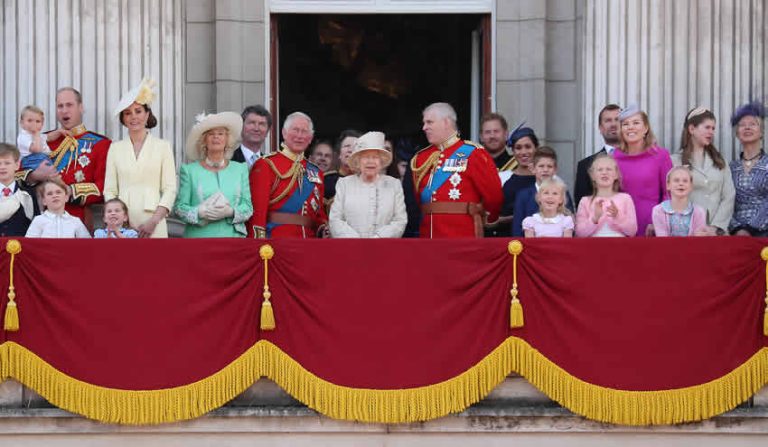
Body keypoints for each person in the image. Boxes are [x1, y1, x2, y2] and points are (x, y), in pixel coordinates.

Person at [23, 87, 111, 229]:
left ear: (81, 108)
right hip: (40, 220)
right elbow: (17, 173)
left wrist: (68, 191)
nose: (64, 110)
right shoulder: (42, 140)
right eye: (60, 106)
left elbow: (104, 188)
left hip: (77, 220)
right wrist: (33, 176)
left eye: (69, 105)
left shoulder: (100, 144)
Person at [411, 102, 502, 238]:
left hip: (462, 234)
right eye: (424, 123)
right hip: (428, 235)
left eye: (429, 122)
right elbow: (419, 200)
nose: (424, 127)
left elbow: (494, 196)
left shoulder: (473, 153)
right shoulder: (421, 158)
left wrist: (488, 218)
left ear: (446, 122)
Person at [104, 78, 177, 238]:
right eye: (128, 113)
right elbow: (109, 190)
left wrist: (154, 221)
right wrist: (118, 218)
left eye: (138, 111)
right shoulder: (115, 148)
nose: (133, 117)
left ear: (147, 114)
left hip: (154, 221)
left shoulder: (163, 146)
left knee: (155, 262)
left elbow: (170, 188)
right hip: (121, 224)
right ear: (123, 119)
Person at [248, 111, 328, 238]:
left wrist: (323, 228)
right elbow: (258, 211)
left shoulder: (316, 172)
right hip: (276, 241)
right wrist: (258, 243)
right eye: (295, 130)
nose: (299, 136)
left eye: (304, 131)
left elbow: (319, 215)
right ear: (284, 133)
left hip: (310, 243)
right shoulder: (266, 164)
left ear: (310, 138)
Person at [173, 112, 252, 238]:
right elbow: (179, 208)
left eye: (221, 134)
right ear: (204, 140)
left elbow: (248, 208)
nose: (216, 137)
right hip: (199, 240)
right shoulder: (189, 171)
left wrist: (231, 212)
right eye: (211, 134)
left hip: (232, 239)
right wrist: (199, 212)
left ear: (227, 140)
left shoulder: (240, 169)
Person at [329, 131, 406, 238]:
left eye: (375, 157)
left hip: (384, 248)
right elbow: (335, 219)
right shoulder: (344, 184)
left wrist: (378, 238)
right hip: (351, 248)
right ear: (358, 161)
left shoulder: (394, 185)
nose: (371, 161)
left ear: (381, 161)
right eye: (365, 157)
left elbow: (400, 220)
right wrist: (356, 240)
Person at [671, 107, 734, 235]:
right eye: (707, 127)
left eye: (713, 128)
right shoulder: (675, 161)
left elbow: (729, 196)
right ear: (692, 129)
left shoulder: (720, 161)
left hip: (717, 234)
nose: (711, 132)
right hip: (688, 232)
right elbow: (671, 198)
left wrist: (716, 227)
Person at [613, 104, 673, 236]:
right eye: (626, 124)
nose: (631, 127)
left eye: (636, 123)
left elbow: (669, 192)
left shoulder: (660, 155)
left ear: (645, 128)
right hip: (621, 225)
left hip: (652, 226)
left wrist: (658, 221)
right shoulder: (614, 157)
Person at [511, 146, 574, 237]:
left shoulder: (563, 192)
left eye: (549, 166)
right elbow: (517, 229)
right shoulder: (523, 195)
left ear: (555, 170)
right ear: (533, 168)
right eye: (541, 166)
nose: (545, 170)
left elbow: (570, 224)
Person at [574, 154, 637, 237]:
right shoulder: (585, 201)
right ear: (592, 176)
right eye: (600, 170)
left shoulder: (625, 198)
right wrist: (594, 218)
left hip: (619, 246)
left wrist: (618, 216)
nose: (604, 172)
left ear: (616, 175)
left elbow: (632, 232)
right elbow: (580, 233)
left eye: (609, 169)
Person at [729, 101, 768, 236]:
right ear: (737, 133)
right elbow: (726, 200)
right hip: (736, 234)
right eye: (742, 125)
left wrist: (750, 228)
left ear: (761, 131)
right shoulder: (731, 168)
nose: (747, 128)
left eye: (752, 124)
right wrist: (737, 228)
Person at [574, 104, 621, 205]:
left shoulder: (640, 160)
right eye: (608, 120)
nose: (613, 124)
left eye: (617, 119)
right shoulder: (585, 165)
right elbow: (581, 207)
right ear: (600, 128)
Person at [496, 126, 539, 235]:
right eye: (518, 148)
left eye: (528, 147)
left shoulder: (547, 180)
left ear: (536, 148)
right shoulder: (501, 178)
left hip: (538, 240)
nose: (523, 152)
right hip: (504, 239)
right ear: (513, 151)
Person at [652, 166, 708, 237]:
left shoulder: (699, 212)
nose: (681, 184)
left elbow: (698, 240)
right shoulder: (659, 210)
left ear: (691, 186)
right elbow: (662, 239)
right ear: (668, 185)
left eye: (685, 181)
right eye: (676, 180)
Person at [26, 178, 90, 238]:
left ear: (66, 197)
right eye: (50, 194)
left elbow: (87, 245)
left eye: (58, 192)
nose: (55, 196)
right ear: (44, 201)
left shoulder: (76, 221)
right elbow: (30, 244)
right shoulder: (38, 220)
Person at [0, 143, 38, 236]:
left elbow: (35, 225)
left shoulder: (28, 194)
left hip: (22, 248)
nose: (2, 167)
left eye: (7, 163)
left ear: (17, 165)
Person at [323, 129, 361, 208]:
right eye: (347, 146)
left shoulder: (370, 183)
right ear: (339, 154)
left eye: (356, 147)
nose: (350, 150)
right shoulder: (325, 181)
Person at [232, 105, 273, 169]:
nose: (256, 129)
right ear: (241, 127)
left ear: (267, 131)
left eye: (261, 124)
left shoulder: (271, 165)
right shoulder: (228, 161)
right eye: (252, 123)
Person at [480, 113, 517, 178]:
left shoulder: (517, 165)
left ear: (506, 135)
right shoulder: (473, 166)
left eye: (496, 131)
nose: (492, 136)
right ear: (481, 137)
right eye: (488, 132)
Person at [17, 105, 51, 171]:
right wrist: (36, 135)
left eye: (37, 121)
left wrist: (59, 132)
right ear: (22, 123)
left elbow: (49, 137)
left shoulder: (39, 135)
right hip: (30, 161)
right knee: (50, 173)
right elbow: (36, 150)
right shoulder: (23, 136)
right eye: (29, 121)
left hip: (43, 158)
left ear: (42, 124)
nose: (34, 124)